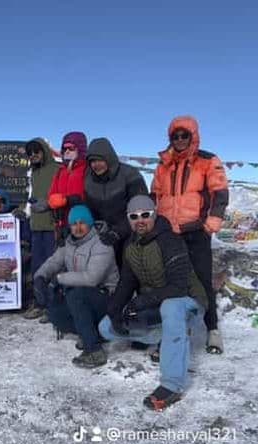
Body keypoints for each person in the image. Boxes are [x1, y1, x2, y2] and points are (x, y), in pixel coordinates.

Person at [98, 195, 208, 411]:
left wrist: (141, 301)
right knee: (106, 327)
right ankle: (167, 338)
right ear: (129, 219)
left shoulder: (170, 240)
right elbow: (126, 282)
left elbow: (179, 287)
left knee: (171, 307)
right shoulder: (130, 245)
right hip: (157, 305)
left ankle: (172, 385)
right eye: (134, 216)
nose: (140, 220)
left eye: (145, 215)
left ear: (154, 214)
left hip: (188, 303)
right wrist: (114, 310)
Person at [151, 116, 228, 354]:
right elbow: (155, 195)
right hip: (169, 233)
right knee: (172, 283)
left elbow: (220, 193)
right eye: (175, 136)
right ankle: (176, 330)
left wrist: (211, 222)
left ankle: (212, 329)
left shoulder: (207, 160)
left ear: (193, 136)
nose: (180, 139)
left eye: (184, 135)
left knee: (203, 281)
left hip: (196, 231)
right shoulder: (163, 165)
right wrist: (153, 222)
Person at [33, 205, 119, 368]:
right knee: (54, 310)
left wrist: (59, 279)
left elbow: (92, 278)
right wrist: (40, 277)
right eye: (74, 224)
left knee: (76, 295)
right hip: (83, 297)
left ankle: (94, 350)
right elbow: (54, 262)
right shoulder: (69, 243)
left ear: (90, 223)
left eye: (82, 223)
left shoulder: (102, 243)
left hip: (107, 299)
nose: (78, 228)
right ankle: (91, 332)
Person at [84, 137, 148, 265]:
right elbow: (90, 210)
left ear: (109, 158)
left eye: (100, 160)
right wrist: (94, 226)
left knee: (127, 267)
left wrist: (119, 231)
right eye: (92, 161)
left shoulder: (130, 174)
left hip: (131, 233)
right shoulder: (89, 180)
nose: (96, 165)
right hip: (105, 236)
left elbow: (140, 209)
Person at [24, 138, 59, 320]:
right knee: (37, 267)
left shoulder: (56, 169)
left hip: (52, 226)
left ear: (44, 151)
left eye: (36, 151)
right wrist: (24, 211)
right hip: (36, 226)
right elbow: (31, 198)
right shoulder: (34, 173)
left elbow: (62, 194)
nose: (33, 155)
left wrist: (49, 204)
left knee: (52, 268)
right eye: (30, 153)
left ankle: (53, 307)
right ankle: (40, 303)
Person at [47, 132, 87, 246]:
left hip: (83, 224)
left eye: (71, 148)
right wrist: (51, 202)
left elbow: (92, 194)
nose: (67, 151)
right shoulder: (61, 171)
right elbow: (52, 193)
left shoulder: (87, 169)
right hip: (63, 224)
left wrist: (70, 200)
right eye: (64, 149)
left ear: (80, 149)